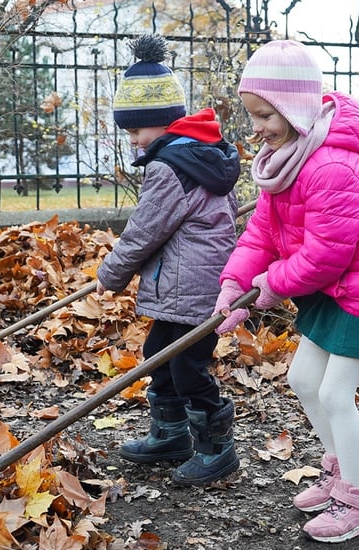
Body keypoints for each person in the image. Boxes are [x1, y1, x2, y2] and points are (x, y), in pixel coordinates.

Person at [214, 40, 359, 542]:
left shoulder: (330, 168)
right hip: (332, 292)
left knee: (335, 394)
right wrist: (235, 282)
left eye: (265, 115)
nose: (256, 127)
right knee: (303, 379)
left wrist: (270, 286)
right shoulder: (288, 157)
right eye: (253, 115)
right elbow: (261, 233)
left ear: (296, 109)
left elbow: (326, 256)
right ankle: (339, 472)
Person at [96, 34, 241, 486]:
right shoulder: (201, 155)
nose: (135, 142)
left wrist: (111, 273)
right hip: (187, 281)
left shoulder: (169, 167)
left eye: (136, 131)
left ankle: (217, 449)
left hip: (193, 286)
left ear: (160, 123)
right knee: (158, 354)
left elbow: (145, 231)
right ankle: (171, 434)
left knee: (187, 366)